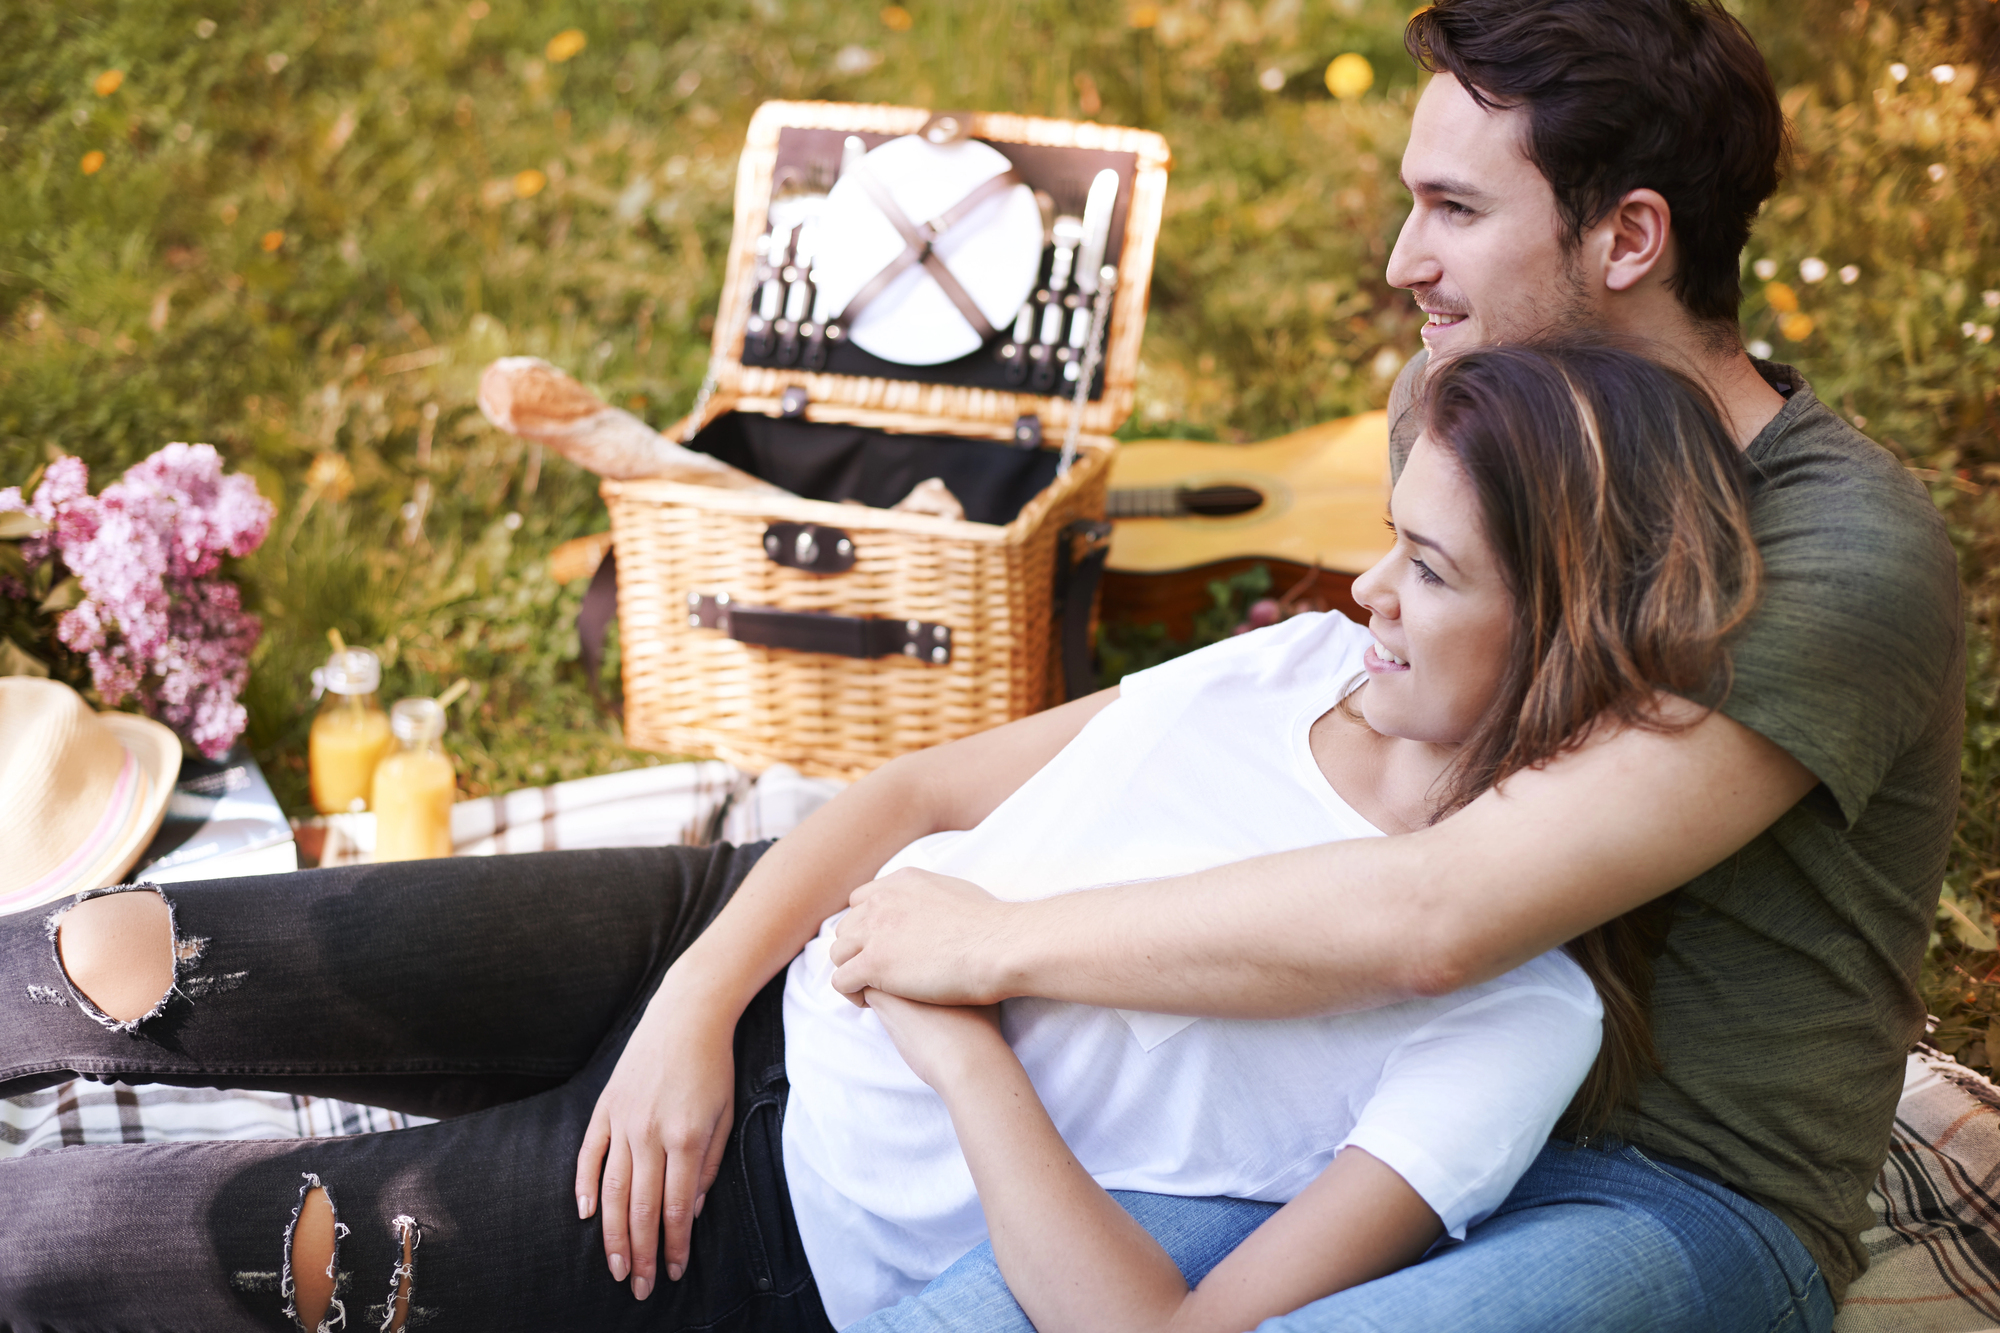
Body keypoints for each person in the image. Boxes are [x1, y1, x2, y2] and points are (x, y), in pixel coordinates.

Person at [2, 342, 1753, 1332]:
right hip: (720, 948)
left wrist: (955, 1027)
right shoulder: (1295, 657)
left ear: (1573, 635)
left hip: (769, 1230)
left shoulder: (1517, 1020)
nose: (1364, 587)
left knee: (83, 1254)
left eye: (1433, 572)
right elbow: (913, 797)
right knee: (117, 953)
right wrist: (694, 1006)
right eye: (1391, 535)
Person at [826, 3, 1965, 1331]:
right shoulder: (1456, 402)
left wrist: (998, 943)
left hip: (1675, 1182)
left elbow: (1440, 912)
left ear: (1631, 238)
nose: (1398, 262)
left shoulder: (1834, 545)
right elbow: (1397, 756)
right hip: (1369, 1107)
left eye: (1454, 209)